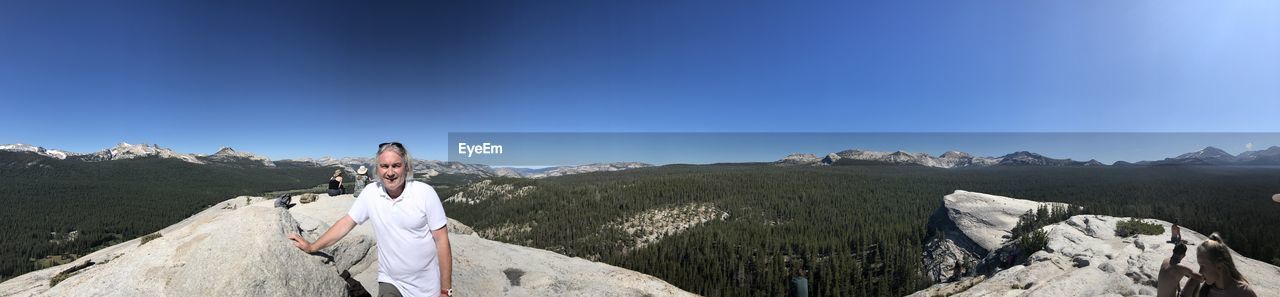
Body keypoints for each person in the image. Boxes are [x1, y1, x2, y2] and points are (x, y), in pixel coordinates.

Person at [288, 142, 454, 297]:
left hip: (425, 287)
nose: (390, 172)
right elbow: (346, 223)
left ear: (406, 168)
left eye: (396, 165)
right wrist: (312, 246)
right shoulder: (371, 193)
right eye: (384, 166)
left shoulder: (425, 194)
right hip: (390, 282)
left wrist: (446, 290)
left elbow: (442, 241)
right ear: (377, 169)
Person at [1180, 232, 1257, 297]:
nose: (1200, 272)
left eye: (1203, 266)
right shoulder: (1204, 290)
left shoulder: (1244, 293)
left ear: (1219, 266)